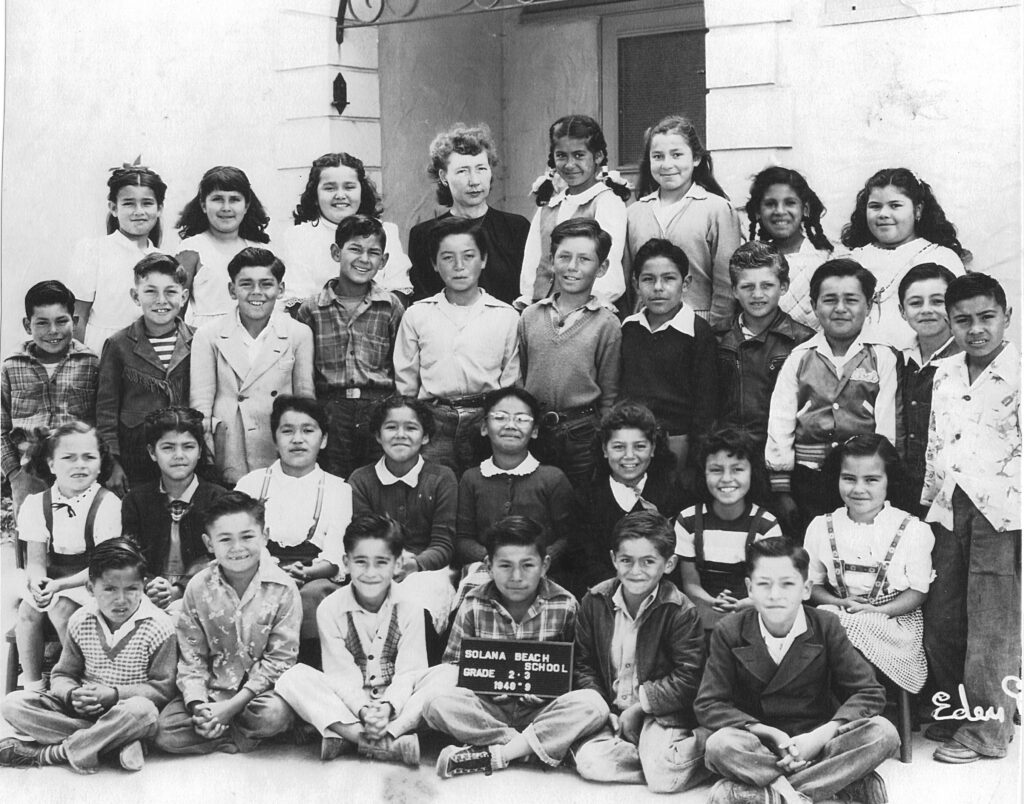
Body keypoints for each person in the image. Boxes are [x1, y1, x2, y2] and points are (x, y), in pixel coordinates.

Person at [695, 537, 899, 804]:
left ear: (806, 589)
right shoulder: (729, 630)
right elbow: (709, 703)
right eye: (764, 584)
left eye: (787, 584)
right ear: (750, 589)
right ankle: (827, 787)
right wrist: (768, 732)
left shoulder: (826, 625)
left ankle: (762, 793)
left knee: (883, 733)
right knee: (719, 745)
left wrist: (820, 736)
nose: (775, 595)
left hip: (818, 741)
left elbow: (869, 692)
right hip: (758, 746)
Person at [423, 516, 609, 778]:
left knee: (593, 704)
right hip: (489, 710)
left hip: (542, 709)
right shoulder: (474, 603)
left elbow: (577, 668)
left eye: (527, 565)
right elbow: (452, 665)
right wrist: (483, 688)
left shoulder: (565, 604)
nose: (517, 576)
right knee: (435, 702)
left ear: (544, 565)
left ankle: (498, 753)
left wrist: (548, 692)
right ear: (488, 566)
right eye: (505, 566)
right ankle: (530, 747)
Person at [921, 273, 1020, 764]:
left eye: (986, 318)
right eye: (962, 320)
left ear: (1007, 317)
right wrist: (931, 501)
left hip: (1002, 510)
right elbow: (936, 442)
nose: (975, 329)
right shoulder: (946, 372)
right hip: (949, 505)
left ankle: (990, 730)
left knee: (992, 619)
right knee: (942, 614)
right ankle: (962, 710)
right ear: (950, 323)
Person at [0, 539, 176, 774]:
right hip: (83, 710)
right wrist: (72, 694)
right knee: (12, 704)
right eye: (110, 589)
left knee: (144, 713)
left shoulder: (159, 625)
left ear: (143, 586)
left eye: (131, 589)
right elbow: (63, 674)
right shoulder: (81, 620)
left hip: (126, 709)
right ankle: (118, 741)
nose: (121, 599)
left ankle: (54, 753)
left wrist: (113, 695)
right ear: (91, 588)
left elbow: (164, 689)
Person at [275, 514, 428, 766]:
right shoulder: (330, 608)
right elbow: (340, 676)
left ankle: (350, 736)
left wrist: (388, 707)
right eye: (360, 562)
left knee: (447, 675)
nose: (370, 573)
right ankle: (377, 741)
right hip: (351, 705)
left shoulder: (411, 607)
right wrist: (365, 711)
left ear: (398, 564)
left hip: (397, 704)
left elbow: (410, 672)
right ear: (346, 563)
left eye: (381, 563)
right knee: (293, 678)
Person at [573, 511, 709, 793]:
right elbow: (583, 664)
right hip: (612, 712)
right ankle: (658, 759)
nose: (636, 571)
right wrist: (601, 709)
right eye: (626, 561)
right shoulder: (595, 601)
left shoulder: (680, 610)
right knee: (590, 764)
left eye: (648, 561)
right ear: (613, 559)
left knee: (663, 780)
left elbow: (688, 677)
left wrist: (641, 707)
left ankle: (697, 750)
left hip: (657, 714)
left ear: (669, 563)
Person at [154, 492, 300, 755]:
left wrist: (231, 708)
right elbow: (191, 656)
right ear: (209, 543)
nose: (237, 547)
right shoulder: (198, 587)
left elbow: (280, 661)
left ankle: (225, 730)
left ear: (264, 535)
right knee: (166, 731)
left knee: (273, 715)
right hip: (214, 690)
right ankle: (231, 734)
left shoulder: (283, 588)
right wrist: (199, 707)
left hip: (258, 696)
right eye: (225, 539)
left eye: (247, 536)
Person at [766, 258, 899, 538]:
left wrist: (880, 476)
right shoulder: (800, 357)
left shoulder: (883, 357)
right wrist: (782, 488)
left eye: (851, 300)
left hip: (861, 479)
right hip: (808, 479)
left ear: (869, 305)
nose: (840, 309)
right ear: (814, 306)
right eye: (829, 300)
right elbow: (780, 422)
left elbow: (887, 425)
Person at [807, 435, 933, 696]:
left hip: (894, 618)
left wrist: (878, 610)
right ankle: (825, 702)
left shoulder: (911, 529)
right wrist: (841, 604)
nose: (858, 489)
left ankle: (862, 696)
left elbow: (918, 592)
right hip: (838, 611)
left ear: (890, 481)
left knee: (839, 626)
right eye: (849, 478)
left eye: (871, 480)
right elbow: (812, 585)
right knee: (823, 622)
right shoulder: (822, 526)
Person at [395, 216, 520, 476]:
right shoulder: (418, 315)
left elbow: (511, 380)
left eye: (468, 256)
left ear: (483, 259)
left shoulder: (506, 315)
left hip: (485, 420)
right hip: (434, 419)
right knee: (435, 490)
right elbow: (406, 382)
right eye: (448, 258)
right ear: (434, 264)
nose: (459, 266)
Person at [234, 395, 352, 652]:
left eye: (308, 431)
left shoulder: (339, 489)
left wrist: (308, 572)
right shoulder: (251, 484)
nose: (297, 439)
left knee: (315, 598)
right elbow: (239, 539)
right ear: (275, 440)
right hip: (258, 572)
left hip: (314, 577)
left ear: (323, 440)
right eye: (287, 431)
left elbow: (336, 553)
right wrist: (272, 570)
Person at [189, 246, 314, 485]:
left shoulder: (298, 334)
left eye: (266, 284)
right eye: (246, 284)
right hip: (230, 447)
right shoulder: (209, 335)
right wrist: (208, 455)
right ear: (232, 289)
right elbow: (200, 405)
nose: (257, 292)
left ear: (281, 290)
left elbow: (305, 401)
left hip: (277, 447)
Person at [295, 214, 404, 478]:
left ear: (384, 261)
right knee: (334, 479)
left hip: (378, 407)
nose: (364, 259)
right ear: (336, 252)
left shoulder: (390, 306)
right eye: (355, 249)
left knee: (377, 480)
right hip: (331, 409)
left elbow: (401, 365)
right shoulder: (311, 309)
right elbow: (303, 370)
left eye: (373, 253)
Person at [15, 423, 122, 692]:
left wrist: (60, 587)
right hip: (54, 579)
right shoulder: (37, 503)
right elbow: (37, 561)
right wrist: (39, 583)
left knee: (62, 610)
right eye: (68, 458)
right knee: (28, 611)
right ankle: (34, 687)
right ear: (51, 464)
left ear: (100, 464)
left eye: (89, 457)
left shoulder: (107, 503)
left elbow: (103, 564)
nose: (80, 465)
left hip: (94, 581)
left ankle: (78, 683)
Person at [519, 218, 621, 489]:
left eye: (584, 259)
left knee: (579, 505)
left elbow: (609, 391)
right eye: (564, 257)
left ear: (601, 268)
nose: (572, 267)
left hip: (583, 433)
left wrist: (604, 436)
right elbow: (523, 373)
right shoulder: (530, 316)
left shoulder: (607, 323)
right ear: (552, 261)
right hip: (535, 429)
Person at [348, 396, 458, 634]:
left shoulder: (442, 478)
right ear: (378, 436)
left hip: (426, 569)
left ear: (425, 436)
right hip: (375, 565)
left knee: (414, 602)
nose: (400, 434)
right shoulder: (361, 479)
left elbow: (443, 544)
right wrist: (386, 565)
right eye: (391, 427)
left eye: (411, 428)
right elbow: (363, 537)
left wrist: (415, 564)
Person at [455, 388, 578, 591]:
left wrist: (536, 561)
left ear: (535, 430)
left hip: (543, 572)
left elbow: (568, 537)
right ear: (484, 427)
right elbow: (462, 539)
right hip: (485, 570)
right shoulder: (472, 478)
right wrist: (493, 561)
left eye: (521, 419)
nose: (511, 425)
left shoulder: (552, 478)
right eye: (500, 417)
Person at [624, 115, 741, 329]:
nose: (667, 164)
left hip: (699, 327)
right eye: (658, 156)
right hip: (646, 328)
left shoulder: (717, 209)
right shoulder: (634, 213)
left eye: (677, 155)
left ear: (695, 158)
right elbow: (628, 281)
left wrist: (716, 332)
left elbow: (726, 283)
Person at [96, 253, 194, 493]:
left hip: (184, 456)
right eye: (150, 291)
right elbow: (106, 410)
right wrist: (113, 463)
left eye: (170, 292)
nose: (161, 300)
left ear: (183, 297)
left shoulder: (199, 340)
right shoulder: (119, 344)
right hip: (135, 458)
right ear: (135, 296)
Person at [840, 167, 967, 349]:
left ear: (918, 210)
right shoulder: (852, 259)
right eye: (875, 206)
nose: (883, 214)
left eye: (895, 205)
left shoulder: (941, 257)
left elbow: (960, 316)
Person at [620, 237, 717, 474]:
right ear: (635, 283)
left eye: (669, 279)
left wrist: (695, 459)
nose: (658, 288)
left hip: (678, 442)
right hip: (631, 441)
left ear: (685, 283)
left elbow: (706, 405)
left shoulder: (698, 333)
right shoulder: (628, 328)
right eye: (648, 279)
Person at [2, 280, 99, 514]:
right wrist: (15, 474)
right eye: (42, 323)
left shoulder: (91, 364)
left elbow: (101, 420)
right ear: (28, 325)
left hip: (79, 472)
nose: (53, 331)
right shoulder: (11, 367)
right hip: (29, 474)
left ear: (74, 322)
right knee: (32, 540)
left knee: (78, 540)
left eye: (61, 321)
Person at [715, 241, 815, 464]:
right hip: (726, 455)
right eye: (747, 287)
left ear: (783, 287)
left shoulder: (802, 341)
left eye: (767, 286)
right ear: (734, 291)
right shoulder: (717, 338)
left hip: (777, 456)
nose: (757, 294)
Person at [408, 123, 530, 305]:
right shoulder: (424, 235)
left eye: (481, 169)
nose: (474, 181)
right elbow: (422, 300)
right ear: (443, 177)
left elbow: (527, 293)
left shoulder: (516, 228)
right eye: (462, 171)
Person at [517, 114, 630, 310]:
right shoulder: (549, 205)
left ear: (598, 156)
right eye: (561, 155)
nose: (569, 164)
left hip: (587, 310)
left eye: (579, 155)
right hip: (544, 307)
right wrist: (530, 298)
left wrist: (593, 303)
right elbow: (533, 260)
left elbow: (607, 263)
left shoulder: (606, 202)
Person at [121, 407, 227, 613]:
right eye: (168, 448)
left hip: (204, 592)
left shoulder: (218, 499)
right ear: (152, 452)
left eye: (188, 446)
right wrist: (151, 585)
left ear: (199, 451)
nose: (179, 455)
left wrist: (180, 589)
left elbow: (219, 556)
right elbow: (129, 554)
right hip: (148, 593)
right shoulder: (136, 500)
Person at [676, 428, 782, 631]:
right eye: (716, 470)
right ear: (703, 473)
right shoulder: (688, 521)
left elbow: (769, 585)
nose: (726, 479)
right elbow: (690, 584)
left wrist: (742, 604)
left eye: (737, 469)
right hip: (702, 613)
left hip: (752, 612)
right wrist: (713, 602)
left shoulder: (766, 525)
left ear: (752, 472)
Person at [276, 152, 413, 307]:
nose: (340, 195)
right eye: (329, 188)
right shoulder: (298, 237)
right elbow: (298, 304)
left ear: (362, 191)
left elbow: (398, 293)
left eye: (349, 187)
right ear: (315, 195)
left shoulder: (386, 231)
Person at [577, 401, 685, 594]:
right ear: (604, 449)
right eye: (618, 447)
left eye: (639, 446)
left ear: (652, 449)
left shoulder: (672, 493)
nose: (629, 456)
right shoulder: (588, 496)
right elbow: (585, 560)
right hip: (605, 596)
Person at [69, 160, 168, 352]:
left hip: (147, 352)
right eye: (129, 203)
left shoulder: (162, 259)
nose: (139, 211)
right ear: (114, 208)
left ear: (159, 208)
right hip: (102, 349)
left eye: (147, 203)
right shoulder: (94, 251)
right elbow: (78, 316)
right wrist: (81, 362)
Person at [894, 263, 960, 513]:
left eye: (937, 301)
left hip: (951, 495)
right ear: (902, 311)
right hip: (905, 490)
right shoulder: (897, 360)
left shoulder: (968, 361)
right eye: (915, 303)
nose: (926, 311)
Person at [175, 165, 271, 327]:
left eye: (234, 199)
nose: (226, 208)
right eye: (217, 199)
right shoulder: (191, 249)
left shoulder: (260, 249)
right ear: (203, 205)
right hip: (207, 341)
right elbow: (176, 308)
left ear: (246, 206)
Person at [744, 166, 836, 331]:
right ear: (758, 211)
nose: (780, 211)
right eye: (771, 204)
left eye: (790, 203)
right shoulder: (749, 261)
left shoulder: (826, 260)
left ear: (805, 209)